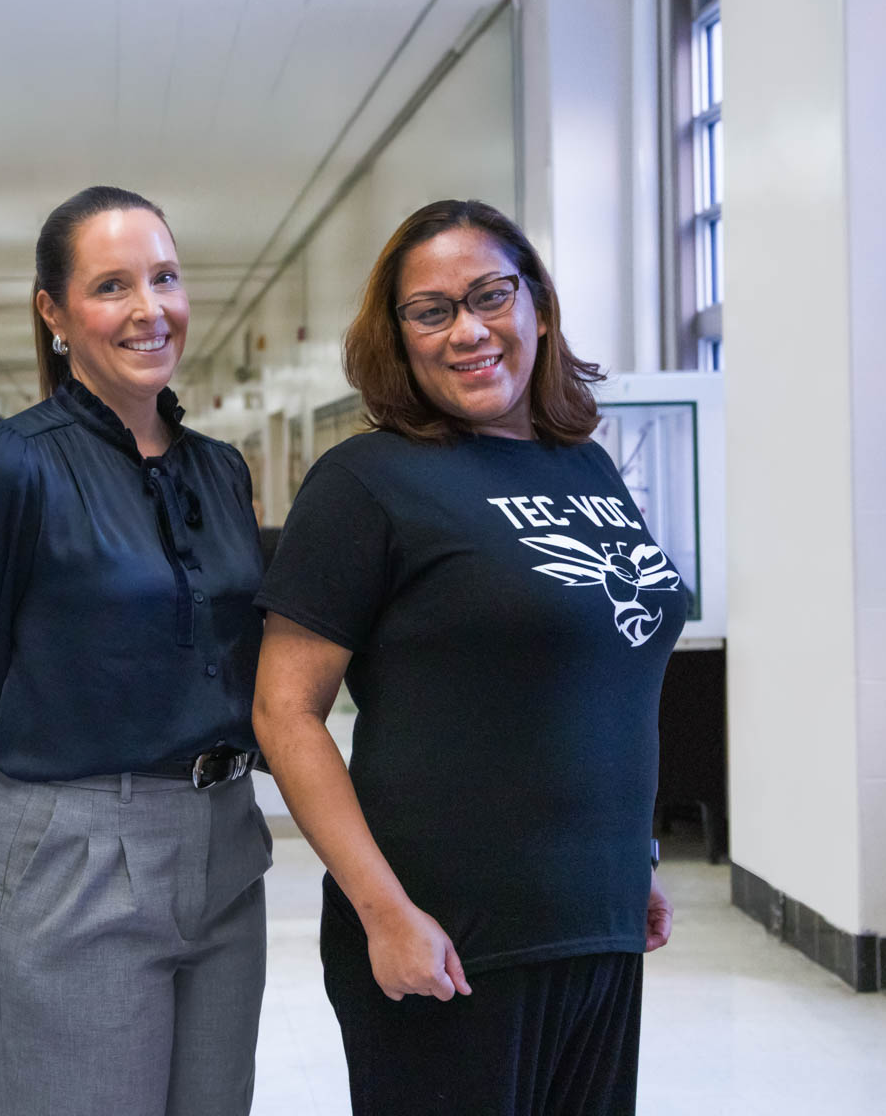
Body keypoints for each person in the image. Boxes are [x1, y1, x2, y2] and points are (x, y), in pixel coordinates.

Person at [252, 200, 681, 1116]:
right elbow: (284, 712)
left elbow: (603, 676)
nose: (469, 330)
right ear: (396, 336)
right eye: (431, 309)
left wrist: (632, 858)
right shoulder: (367, 482)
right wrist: (383, 912)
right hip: (447, 941)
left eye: (491, 295)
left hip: (595, 924)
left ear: (537, 306)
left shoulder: (587, 466)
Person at [0, 187, 271, 1116]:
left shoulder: (220, 470)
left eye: (165, 278)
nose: (150, 309)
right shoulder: (8, 469)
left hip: (224, 842)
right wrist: (9, 851)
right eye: (112, 286)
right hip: (67, 852)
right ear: (54, 312)